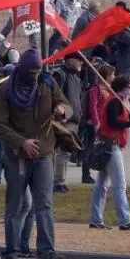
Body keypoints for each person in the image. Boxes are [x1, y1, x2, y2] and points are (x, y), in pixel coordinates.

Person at [0, 49, 70, 259]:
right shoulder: (6, 90)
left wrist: (62, 109)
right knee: (15, 206)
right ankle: (11, 252)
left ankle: (46, 253)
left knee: (44, 204)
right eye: (31, 71)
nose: (34, 75)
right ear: (22, 69)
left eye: (38, 71)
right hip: (18, 157)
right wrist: (21, 142)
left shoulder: (47, 83)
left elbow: (66, 105)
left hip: (44, 153)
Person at [88, 76, 130, 231]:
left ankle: (96, 219)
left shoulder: (119, 101)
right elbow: (113, 122)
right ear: (122, 88)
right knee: (119, 184)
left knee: (101, 184)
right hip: (111, 146)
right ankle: (125, 220)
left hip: (109, 145)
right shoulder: (115, 101)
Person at [51, 54, 85, 193]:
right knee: (61, 152)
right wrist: (61, 114)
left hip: (74, 120)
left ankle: (59, 180)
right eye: (79, 60)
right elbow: (56, 96)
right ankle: (57, 181)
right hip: (64, 120)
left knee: (64, 152)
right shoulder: (61, 75)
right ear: (71, 60)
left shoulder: (76, 77)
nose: (82, 63)